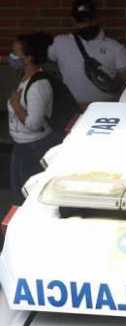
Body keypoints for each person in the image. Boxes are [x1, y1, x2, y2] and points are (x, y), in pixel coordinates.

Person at [47, 0, 126, 109]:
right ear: (73, 21)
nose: (86, 24)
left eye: (89, 19)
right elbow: (35, 59)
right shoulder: (59, 43)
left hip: (104, 112)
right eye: (80, 20)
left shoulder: (116, 48)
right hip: (71, 110)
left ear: (97, 18)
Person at [7, 32, 55, 202]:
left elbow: (34, 124)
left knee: (28, 198)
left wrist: (16, 106)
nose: (11, 57)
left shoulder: (38, 85)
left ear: (28, 58)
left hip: (33, 149)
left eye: (15, 53)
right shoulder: (25, 79)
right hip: (22, 146)